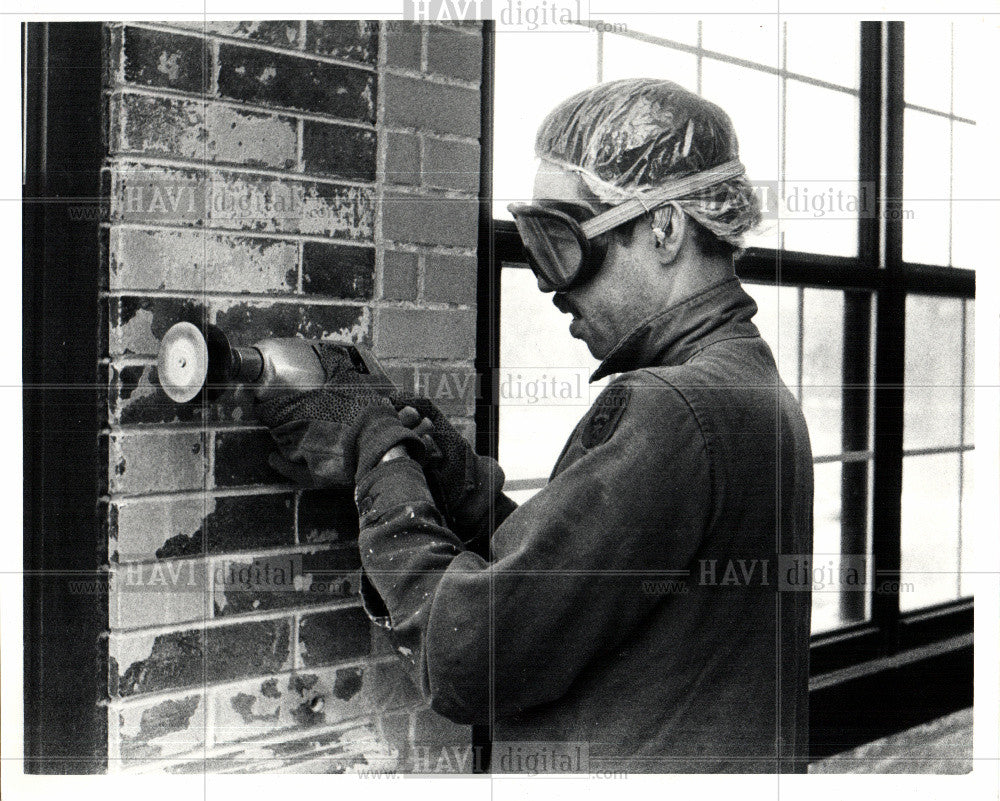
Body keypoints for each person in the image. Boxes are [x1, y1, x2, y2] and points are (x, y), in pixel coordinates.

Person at [256, 78, 814, 774]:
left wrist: (382, 454)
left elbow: (473, 655)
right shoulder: (753, 389)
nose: (551, 287)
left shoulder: (670, 408)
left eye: (562, 243)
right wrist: (456, 484)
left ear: (665, 228)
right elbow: (589, 586)